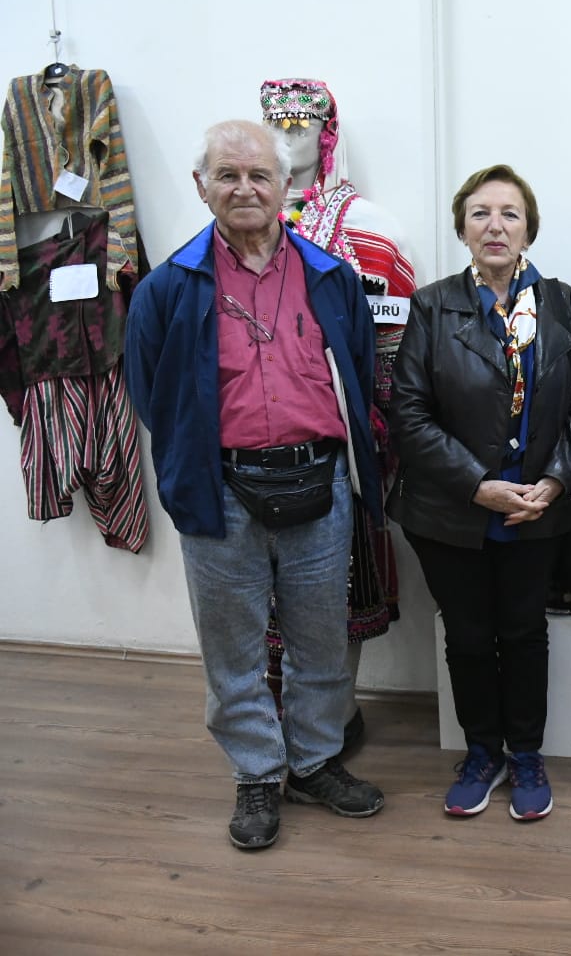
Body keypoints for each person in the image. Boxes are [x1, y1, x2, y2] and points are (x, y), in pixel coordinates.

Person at [124, 119, 386, 851]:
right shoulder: (167, 288)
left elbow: (359, 373)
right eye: (228, 175)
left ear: (285, 186)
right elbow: (151, 393)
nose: (245, 188)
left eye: (259, 175)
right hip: (220, 493)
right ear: (201, 185)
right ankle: (258, 774)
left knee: (320, 642)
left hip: (319, 487)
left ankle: (313, 762)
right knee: (233, 652)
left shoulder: (330, 278)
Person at [389, 164, 571, 822]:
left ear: (528, 229)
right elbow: (408, 414)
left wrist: (556, 480)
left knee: (525, 632)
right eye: (480, 213)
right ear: (462, 229)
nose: (495, 226)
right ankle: (483, 752)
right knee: (470, 637)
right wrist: (477, 486)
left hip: (537, 508)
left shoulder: (564, 305)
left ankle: (527, 753)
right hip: (451, 512)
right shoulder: (432, 306)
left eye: (510, 213)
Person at [259, 76, 417, 750]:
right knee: (258, 589)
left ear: (328, 134)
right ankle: (272, 724)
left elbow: (396, 347)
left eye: (300, 125)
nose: (286, 137)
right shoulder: (238, 229)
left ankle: (331, 717)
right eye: (274, 124)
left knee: (337, 589)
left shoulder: (368, 230)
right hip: (252, 447)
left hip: (341, 447)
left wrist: (384, 436)